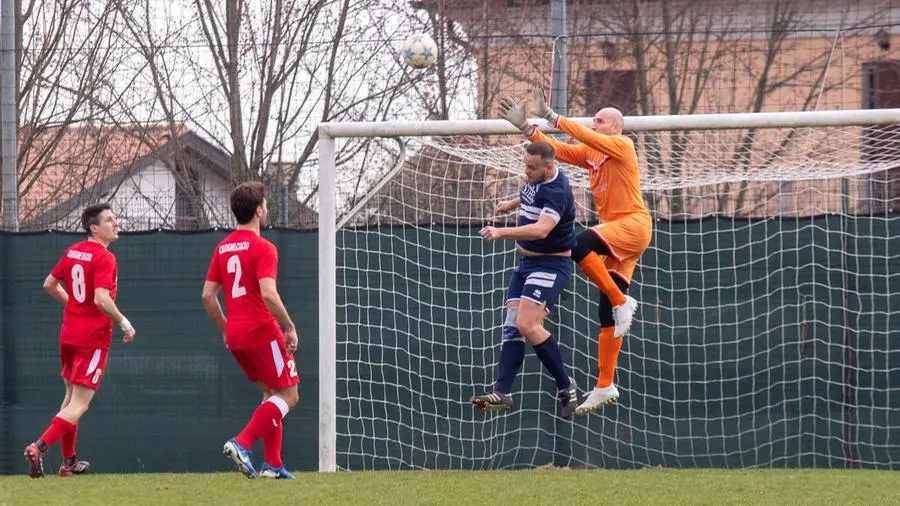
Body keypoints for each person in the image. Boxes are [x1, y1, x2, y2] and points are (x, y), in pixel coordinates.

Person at [500, 87, 652, 415]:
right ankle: (605, 384)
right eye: (593, 120)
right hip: (616, 233)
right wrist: (527, 126)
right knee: (606, 314)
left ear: (616, 127)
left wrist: (553, 116)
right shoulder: (593, 154)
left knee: (577, 244)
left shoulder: (623, 146)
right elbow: (556, 151)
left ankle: (621, 300)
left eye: (601, 120)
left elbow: (582, 135)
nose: (594, 123)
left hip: (633, 225)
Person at [23, 203, 136, 478]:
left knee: (71, 398)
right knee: (80, 404)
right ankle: (39, 446)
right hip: (93, 337)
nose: (116, 223)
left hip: (69, 334)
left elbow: (49, 283)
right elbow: (101, 298)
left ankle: (68, 462)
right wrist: (124, 322)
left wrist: (73, 304)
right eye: (110, 220)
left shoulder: (73, 251)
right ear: (94, 228)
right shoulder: (105, 258)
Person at [470, 139, 579, 420]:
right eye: (525, 165)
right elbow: (531, 192)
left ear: (549, 166)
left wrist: (500, 231)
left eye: (532, 168)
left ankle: (567, 387)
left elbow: (542, 230)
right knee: (512, 326)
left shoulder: (558, 191)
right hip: (525, 263)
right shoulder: (537, 177)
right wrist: (512, 203)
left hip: (550, 264)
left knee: (526, 324)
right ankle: (503, 393)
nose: (526, 171)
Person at [202, 181, 299, 479]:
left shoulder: (223, 247)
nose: (267, 210)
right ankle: (242, 443)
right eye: (266, 205)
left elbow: (207, 295)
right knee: (290, 395)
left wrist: (225, 328)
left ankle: (272, 465)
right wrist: (288, 326)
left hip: (237, 335)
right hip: (261, 331)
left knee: (271, 394)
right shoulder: (263, 247)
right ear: (259, 211)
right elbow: (268, 294)